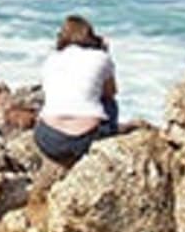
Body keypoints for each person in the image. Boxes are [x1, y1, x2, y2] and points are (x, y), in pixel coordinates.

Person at [34, 14, 120, 167]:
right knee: (110, 103)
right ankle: (109, 135)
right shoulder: (101, 57)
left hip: (48, 140)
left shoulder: (51, 59)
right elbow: (111, 92)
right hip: (84, 141)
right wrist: (104, 53)